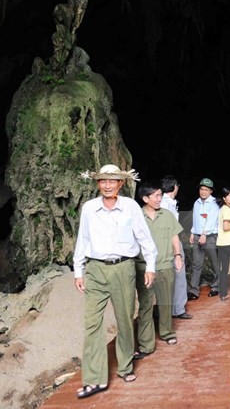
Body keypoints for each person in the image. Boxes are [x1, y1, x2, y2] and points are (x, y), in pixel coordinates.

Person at [73, 164, 157, 398]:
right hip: (96, 269)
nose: (107, 185)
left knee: (125, 320)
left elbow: (144, 238)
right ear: (97, 183)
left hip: (123, 268)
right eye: (103, 181)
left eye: (112, 181)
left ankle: (125, 367)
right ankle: (94, 378)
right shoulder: (89, 208)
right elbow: (83, 238)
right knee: (92, 324)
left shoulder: (130, 206)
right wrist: (78, 271)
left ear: (121, 183)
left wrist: (150, 266)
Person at [134, 182, 183, 360]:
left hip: (164, 265)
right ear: (145, 198)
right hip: (144, 267)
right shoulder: (136, 216)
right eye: (156, 196)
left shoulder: (167, 214)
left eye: (161, 195)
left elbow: (174, 236)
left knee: (166, 302)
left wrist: (178, 255)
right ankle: (146, 344)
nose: (160, 199)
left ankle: (167, 332)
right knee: (145, 305)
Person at [160, 175, 191, 320]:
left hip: (162, 244)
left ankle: (168, 310)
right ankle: (178, 309)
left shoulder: (163, 202)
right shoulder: (166, 204)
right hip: (172, 242)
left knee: (167, 277)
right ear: (175, 187)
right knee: (179, 275)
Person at [188, 177, 220, 300]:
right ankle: (194, 290)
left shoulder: (213, 204)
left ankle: (216, 286)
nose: (203, 192)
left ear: (211, 191)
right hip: (197, 235)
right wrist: (192, 232)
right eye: (201, 189)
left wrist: (204, 234)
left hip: (209, 236)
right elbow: (195, 219)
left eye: (206, 190)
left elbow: (211, 221)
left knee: (214, 263)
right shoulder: (196, 202)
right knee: (196, 263)